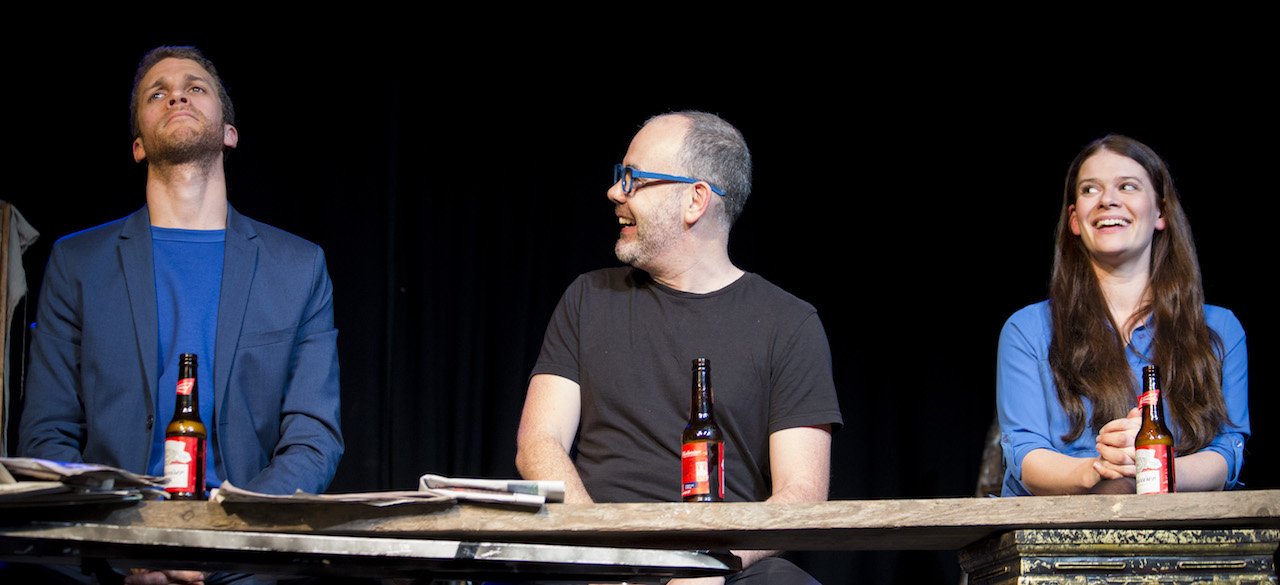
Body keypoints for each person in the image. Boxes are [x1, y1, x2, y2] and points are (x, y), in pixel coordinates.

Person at [515, 111, 842, 584]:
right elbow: (538, 442)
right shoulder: (588, 298)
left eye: (633, 178)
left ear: (695, 199)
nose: (615, 192)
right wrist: (597, 549)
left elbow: (802, 493)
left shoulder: (789, 324)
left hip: (723, 565)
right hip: (598, 559)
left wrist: (709, 563)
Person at [18, 44, 342, 514]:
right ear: (138, 146)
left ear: (229, 133)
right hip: (110, 533)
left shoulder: (299, 267)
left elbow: (314, 439)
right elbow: (46, 431)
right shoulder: (77, 263)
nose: (176, 97)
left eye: (195, 88)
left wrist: (236, 527)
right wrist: (116, 530)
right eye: (158, 93)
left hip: (245, 537)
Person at [996, 135, 1247, 497]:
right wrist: (1100, 468)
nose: (1107, 200)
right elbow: (1025, 455)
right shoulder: (1027, 330)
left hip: (1181, 528)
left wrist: (1153, 464)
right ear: (1075, 220)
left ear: (1160, 212)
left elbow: (1227, 452)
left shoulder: (1219, 330)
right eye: (1090, 189)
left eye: (1127, 186)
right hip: (1058, 529)